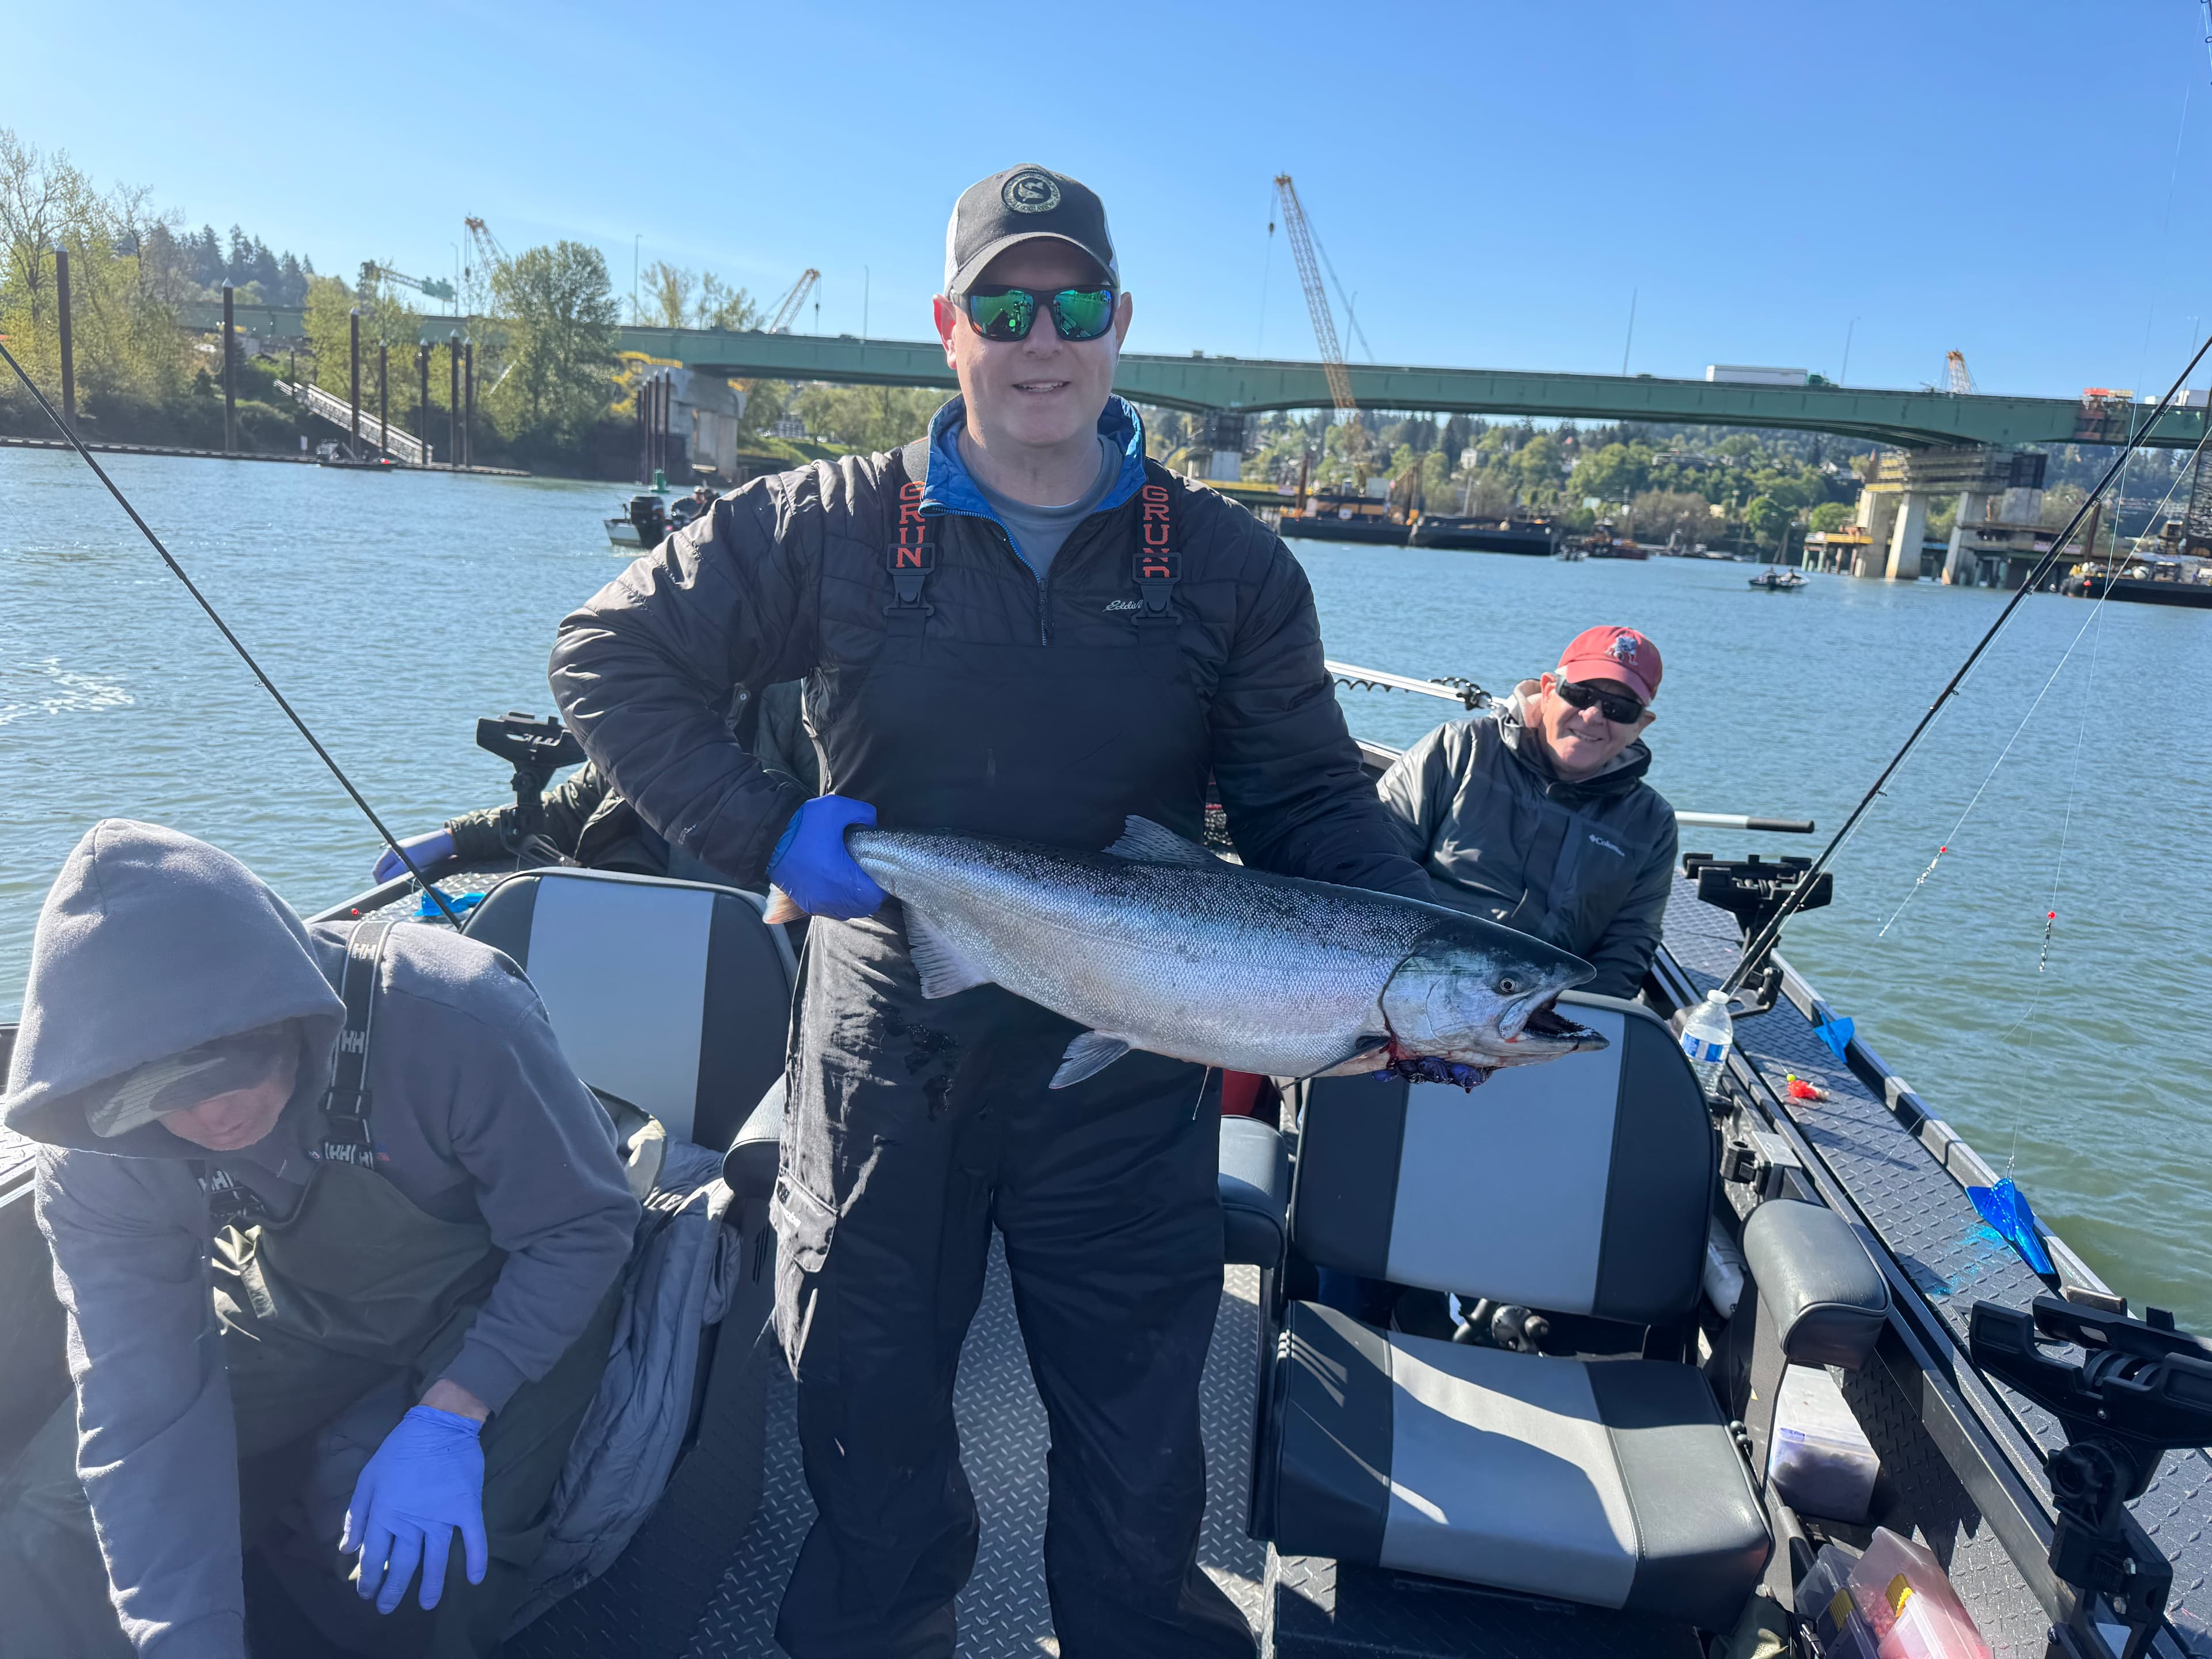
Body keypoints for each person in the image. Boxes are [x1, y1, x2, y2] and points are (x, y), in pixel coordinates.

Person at [546, 163, 1432, 1658]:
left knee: (1143, 1453)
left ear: (1120, 324)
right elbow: (605, 655)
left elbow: (1312, 812)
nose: (1043, 339)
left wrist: (1421, 966)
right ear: (950, 326)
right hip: (889, 1064)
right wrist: (764, 828)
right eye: (1007, 305)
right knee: (868, 1423)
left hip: (1127, 1068)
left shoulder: (1227, 566)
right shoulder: (826, 525)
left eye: (1073, 303)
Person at [0, 820, 641, 1658]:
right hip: (296, 1290)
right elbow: (137, 1396)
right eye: (163, 1101)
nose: (213, 1117)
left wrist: (454, 1409)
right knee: (55, 1516)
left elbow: (582, 1228)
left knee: (432, 1559)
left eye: (227, 1075)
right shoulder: (101, 1147)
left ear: (289, 1017)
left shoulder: (455, 1013)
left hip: (506, 1282)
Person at [1378, 624, 1677, 999]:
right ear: (1550, 690)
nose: (1592, 716)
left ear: (1640, 725)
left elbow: (1627, 948)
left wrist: (1573, 1022)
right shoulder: (1459, 749)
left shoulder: (1652, 824)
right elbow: (1376, 865)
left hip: (1536, 1012)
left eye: (1619, 709)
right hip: (1411, 983)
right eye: (1580, 694)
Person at [370, 682, 819, 885]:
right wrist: (454, 837)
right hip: (615, 923)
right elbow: (568, 810)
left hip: (745, 946)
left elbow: (832, 846)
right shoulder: (649, 705)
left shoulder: (795, 704)